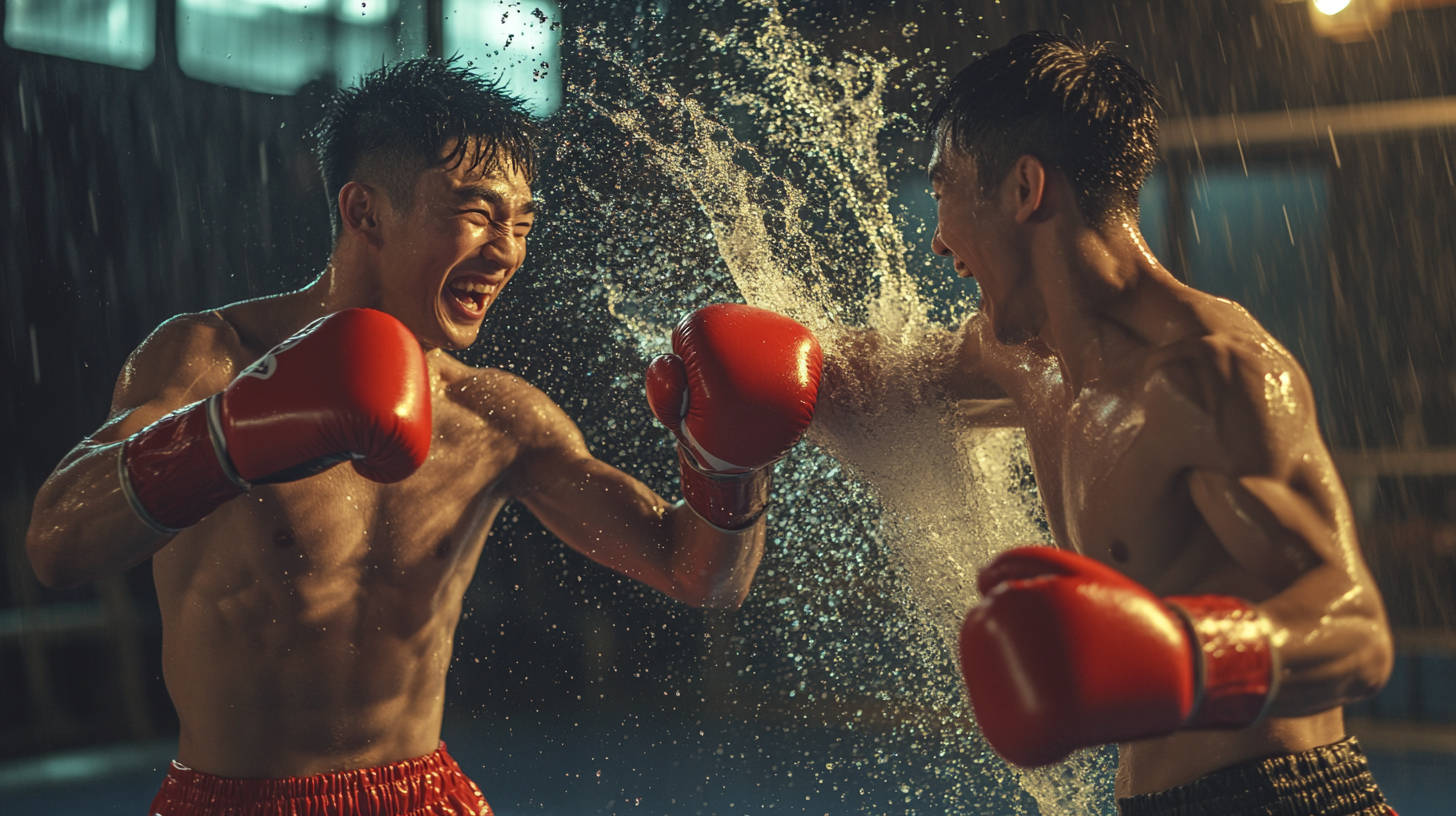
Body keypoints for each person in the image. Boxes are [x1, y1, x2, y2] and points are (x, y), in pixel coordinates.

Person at [25, 59, 820, 816]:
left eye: (520, 221)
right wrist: (225, 438)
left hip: (424, 795)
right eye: (476, 214)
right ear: (365, 211)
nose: (506, 249)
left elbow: (699, 576)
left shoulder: (500, 419)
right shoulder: (211, 358)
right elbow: (57, 543)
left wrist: (729, 466)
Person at [824, 32, 1394, 816]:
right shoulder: (1017, 358)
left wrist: (1184, 654)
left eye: (946, 188)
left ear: (1025, 187)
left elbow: (1360, 635)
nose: (938, 238)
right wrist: (737, 372)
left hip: (1285, 798)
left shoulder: (1209, 377)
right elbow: (870, 383)